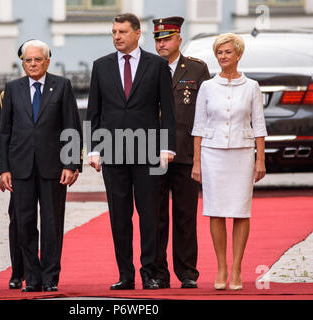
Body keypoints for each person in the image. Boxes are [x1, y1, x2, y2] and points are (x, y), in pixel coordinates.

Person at [86, 13, 176, 290]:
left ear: (138, 34)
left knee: (150, 215)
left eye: (122, 32)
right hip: (113, 152)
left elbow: (168, 111)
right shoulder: (101, 66)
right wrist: (94, 149)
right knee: (119, 217)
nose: (117, 37)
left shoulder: (157, 65)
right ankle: (125, 274)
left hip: (149, 152)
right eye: (113, 32)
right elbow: (94, 110)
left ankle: (150, 273)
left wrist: (167, 147)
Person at [0, 40, 82, 292]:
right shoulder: (13, 88)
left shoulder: (62, 86)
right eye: (27, 60)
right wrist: (2, 168)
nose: (32, 64)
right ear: (22, 63)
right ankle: (31, 278)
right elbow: (3, 132)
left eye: (37, 60)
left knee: (52, 224)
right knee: (23, 223)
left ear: (47, 61)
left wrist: (71, 163)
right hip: (20, 168)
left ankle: (50, 277)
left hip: (54, 168)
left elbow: (72, 126)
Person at [191, 33, 267, 290]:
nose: (223, 57)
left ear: (238, 54)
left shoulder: (252, 87)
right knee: (216, 210)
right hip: (212, 154)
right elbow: (198, 127)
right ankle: (221, 267)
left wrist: (260, 160)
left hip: (243, 153)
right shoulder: (207, 87)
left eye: (228, 52)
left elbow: (259, 125)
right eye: (219, 53)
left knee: (240, 211)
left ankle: (237, 269)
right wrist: (197, 163)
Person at [153, 16, 210, 289]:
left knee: (186, 215)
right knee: (156, 217)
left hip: (186, 152)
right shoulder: (147, 68)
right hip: (153, 154)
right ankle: (158, 273)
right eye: (158, 39)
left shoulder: (197, 70)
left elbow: (206, 112)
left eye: (166, 39)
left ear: (179, 39)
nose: (161, 44)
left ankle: (187, 272)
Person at [0, 91, 24, 290]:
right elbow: (1, 131)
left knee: (49, 220)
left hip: (48, 164)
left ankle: (44, 272)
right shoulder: (9, 93)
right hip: (18, 164)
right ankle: (18, 271)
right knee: (19, 219)